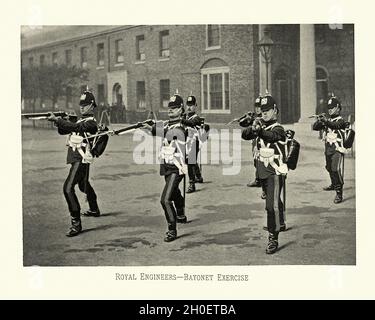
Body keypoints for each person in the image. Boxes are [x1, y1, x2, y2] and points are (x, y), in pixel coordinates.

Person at [48, 90, 101, 237]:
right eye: (81, 105)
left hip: (81, 159)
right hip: (76, 159)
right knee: (83, 185)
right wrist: (61, 120)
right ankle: (94, 208)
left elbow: (75, 128)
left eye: (85, 105)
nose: (82, 107)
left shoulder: (91, 123)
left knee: (67, 188)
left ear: (92, 105)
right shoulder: (79, 121)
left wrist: (59, 120)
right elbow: (63, 131)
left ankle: (76, 223)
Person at [241, 94, 287, 254]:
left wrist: (259, 131)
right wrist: (252, 126)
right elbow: (245, 135)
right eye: (263, 110)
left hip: (275, 172)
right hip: (263, 173)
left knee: (270, 206)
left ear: (275, 110)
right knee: (274, 201)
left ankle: (273, 237)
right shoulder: (260, 125)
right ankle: (280, 222)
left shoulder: (279, 128)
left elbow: (273, 137)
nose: (265, 113)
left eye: (267, 110)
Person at [144, 94, 188, 242]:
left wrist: (155, 128)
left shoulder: (181, 127)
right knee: (174, 192)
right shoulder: (168, 125)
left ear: (181, 110)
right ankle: (181, 213)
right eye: (169, 108)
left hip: (177, 167)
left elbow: (172, 133)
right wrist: (150, 127)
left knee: (165, 200)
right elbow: (161, 130)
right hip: (166, 166)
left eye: (174, 108)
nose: (171, 110)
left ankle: (172, 229)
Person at [312, 96, 347, 204]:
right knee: (329, 167)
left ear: (337, 108)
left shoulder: (341, 121)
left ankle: (339, 192)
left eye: (332, 107)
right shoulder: (328, 120)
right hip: (328, 149)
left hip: (337, 149)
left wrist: (325, 121)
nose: (330, 109)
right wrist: (319, 120)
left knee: (335, 169)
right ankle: (333, 184)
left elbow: (335, 125)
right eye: (329, 107)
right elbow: (315, 127)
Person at [181, 95, 205, 194]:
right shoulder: (185, 116)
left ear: (195, 106)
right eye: (188, 105)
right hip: (187, 141)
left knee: (190, 160)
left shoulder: (196, 118)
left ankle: (192, 183)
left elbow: (190, 123)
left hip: (195, 141)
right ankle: (198, 176)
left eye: (191, 105)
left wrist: (180, 119)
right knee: (191, 160)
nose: (189, 107)